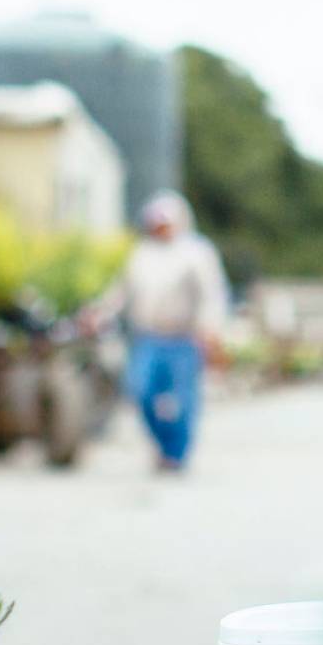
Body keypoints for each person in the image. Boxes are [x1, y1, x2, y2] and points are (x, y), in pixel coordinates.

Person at [113, 192, 229, 472]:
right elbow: (120, 292)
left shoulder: (197, 253)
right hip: (149, 337)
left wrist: (210, 330)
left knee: (183, 401)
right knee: (139, 391)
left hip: (184, 339)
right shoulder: (142, 254)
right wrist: (97, 314)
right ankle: (163, 443)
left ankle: (176, 454)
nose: (160, 228)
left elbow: (212, 295)